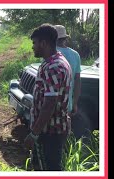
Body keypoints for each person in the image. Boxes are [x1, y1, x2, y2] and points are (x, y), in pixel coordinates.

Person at [24, 24, 72, 171]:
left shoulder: (54, 67)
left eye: (35, 43)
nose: (33, 47)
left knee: (50, 170)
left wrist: (34, 134)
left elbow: (49, 105)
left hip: (50, 132)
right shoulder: (51, 62)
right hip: (48, 131)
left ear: (43, 43)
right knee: (42, 168)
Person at [55, 25, 81, 115]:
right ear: (65, 38)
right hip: (67, 104)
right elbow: (77, 81)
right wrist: (74, 104)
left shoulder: (50, 53)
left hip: (51, 104)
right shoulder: (75, 54)